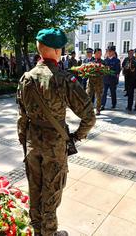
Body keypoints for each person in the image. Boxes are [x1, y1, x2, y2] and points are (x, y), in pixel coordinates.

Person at [17, 28, 95, 236]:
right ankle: (49, 233)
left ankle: (36, 230)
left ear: (39, 49)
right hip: (55, 145)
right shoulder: (63, 79)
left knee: (35, 190)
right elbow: (89, 116)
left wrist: (25, 142)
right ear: (58, 51)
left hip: (33, 144)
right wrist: (76, 136)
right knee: (51, 193)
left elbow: (21, 117)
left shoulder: (26, 78)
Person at [101, 46, 121, 110]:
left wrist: (110, 71)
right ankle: (102, 105)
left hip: (112, 79)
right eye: (107, 51)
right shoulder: (105, 60)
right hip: (105, 79)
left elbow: (117, 70)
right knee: (104, 93)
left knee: (113, 93)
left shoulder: (117, 61)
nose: (108, 52)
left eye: (110, 51)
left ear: (113, 52)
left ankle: (113, 104)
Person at [86, 48, 104, 115]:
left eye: (100, 53)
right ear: (95, 54)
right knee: (88, 95)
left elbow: (105, 72)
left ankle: (98, 109)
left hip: (99, 82)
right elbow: (86, 70)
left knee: (98, 96)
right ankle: (89, 109)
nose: (100, 54)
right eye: (98, 53)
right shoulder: (91, 62)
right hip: (90, 82)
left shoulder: (103, 62)